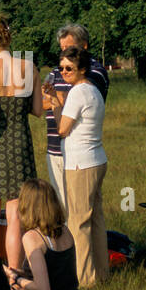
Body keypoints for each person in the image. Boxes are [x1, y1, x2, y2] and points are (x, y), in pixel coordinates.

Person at [0, 14, 42, 270]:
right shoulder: (29, 67)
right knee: (15, 217)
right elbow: (36, 111)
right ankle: (15, 274)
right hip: (21, 142)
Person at [46, 45, 108, 288]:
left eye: (69, 68)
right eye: (61, 68)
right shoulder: (92, 90)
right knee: (96, 220)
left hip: (81, 164)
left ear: (83, 69)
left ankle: (84, 278)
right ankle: (101, 273)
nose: (64, 72)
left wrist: (54, 106)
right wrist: (55, 102)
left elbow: (62, 129)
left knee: (78, 222)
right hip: (96, 160)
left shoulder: (78, 92)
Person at [42, 23, 109, 210]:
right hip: (56, 148)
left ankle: (75, 241)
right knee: (66, 206)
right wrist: (55, 98)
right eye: (62, 49)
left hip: (79, 153)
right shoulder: (59, 70)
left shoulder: (93, 73)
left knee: (77, 213)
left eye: (70, 49)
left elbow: (78, 99)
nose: (64, 70)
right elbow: (41, 102)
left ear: (84, 46)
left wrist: (57, 98)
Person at [10, 180, 88, 290]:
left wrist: (16, 278)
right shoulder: (65, 230)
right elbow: (54, 270)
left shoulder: (32, 238)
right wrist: (17, 273)